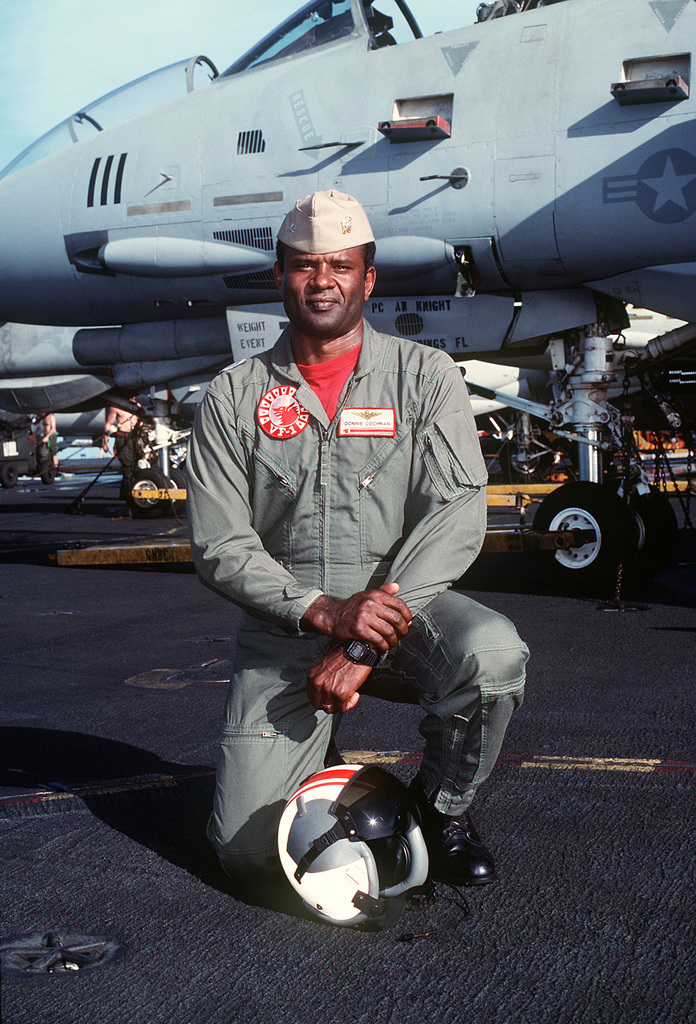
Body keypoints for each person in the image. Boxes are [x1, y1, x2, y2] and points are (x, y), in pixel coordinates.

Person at [187, 191, 528, 888]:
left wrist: (362, 638)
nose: (322, 281)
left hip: (404, 612)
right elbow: (221, 543)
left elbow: (457, 512)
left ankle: (441, 813)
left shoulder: (424, 377)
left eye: (339, 266)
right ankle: (321, 765)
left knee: (491, 655)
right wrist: (323, 613)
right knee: (251, 856)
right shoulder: (233, 396)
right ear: (279, 277)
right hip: (287, 626)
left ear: (367, 279)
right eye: (304, 266)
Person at [103, 400, 141, 500]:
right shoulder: (116, 408)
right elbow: (108, 425)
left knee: (135, 465)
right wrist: (105, 442)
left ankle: (128, 491)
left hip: (134, 438)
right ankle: (128, 492)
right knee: (127, 463)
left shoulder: (137, 407)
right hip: (122, 438)